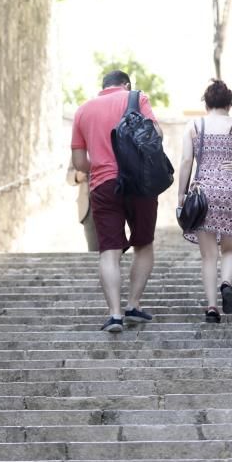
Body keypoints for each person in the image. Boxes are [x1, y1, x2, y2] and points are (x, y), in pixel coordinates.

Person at [71, 70, 161, 332]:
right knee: (143, 244)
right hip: (140, 182)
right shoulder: (137, 99)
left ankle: (115, 315)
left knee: (108, 250)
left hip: (102, 185)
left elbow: (79, 163)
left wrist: (100, 165)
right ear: (126, 85)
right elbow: (156, 134)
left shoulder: (82, 111)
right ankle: (133, 305)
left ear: (103, 87)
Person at [176, 79, 232, 323]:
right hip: (229, 190)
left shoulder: (194, 126)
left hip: (203, 193)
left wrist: (181, 194)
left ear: (206, 103)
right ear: (229, 103)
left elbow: (185, 162)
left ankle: (213, 307)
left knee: (208, 256)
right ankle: (227, 283)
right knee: (229, 248)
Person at [66, 161, 98, 251]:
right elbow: (69, 176)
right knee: (94, 250)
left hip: (112, 202)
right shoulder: (81, 148)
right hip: (89, 206)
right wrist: (76, 177)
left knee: (114, 250)